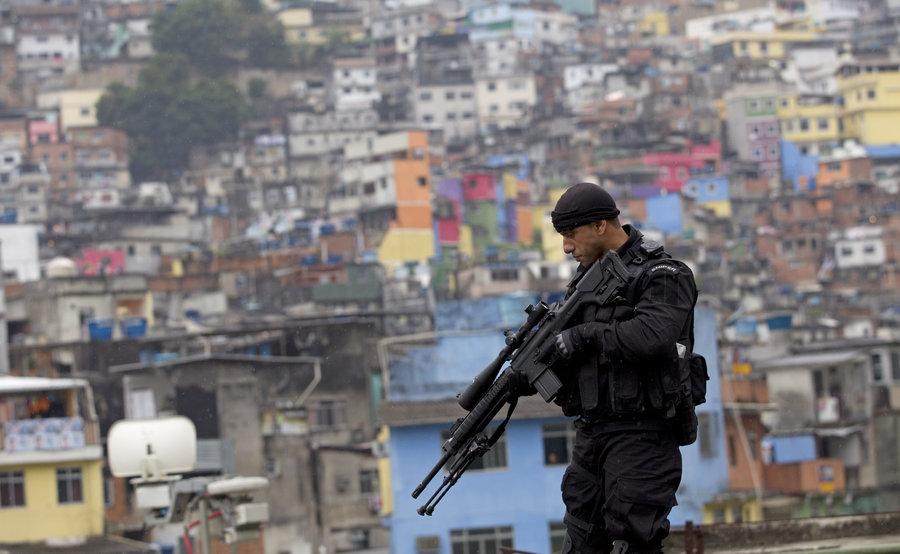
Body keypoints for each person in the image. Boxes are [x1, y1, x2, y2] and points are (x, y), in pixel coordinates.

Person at [543, 182, 698, 553]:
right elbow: (564, 350)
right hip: (594, 433)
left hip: (643, 434)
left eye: (571, 234)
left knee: (633, 541)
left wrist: (586, 335)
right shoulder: (584, 286)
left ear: (600, 226)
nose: (566, 246)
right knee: (581, 540)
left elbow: (652, 335)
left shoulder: (662, 273)